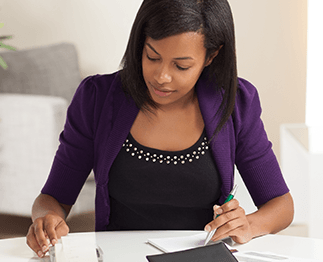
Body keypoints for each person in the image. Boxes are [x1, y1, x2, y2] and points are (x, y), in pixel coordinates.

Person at [26, 0, 294, 258]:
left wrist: (248, 225)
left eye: (181, 66)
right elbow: (53, 198)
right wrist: (46, 220)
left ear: (211, 56)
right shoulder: (96, 98)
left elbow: (280, 205)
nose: (161, 77)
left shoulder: (235, 103)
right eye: (152, 56)